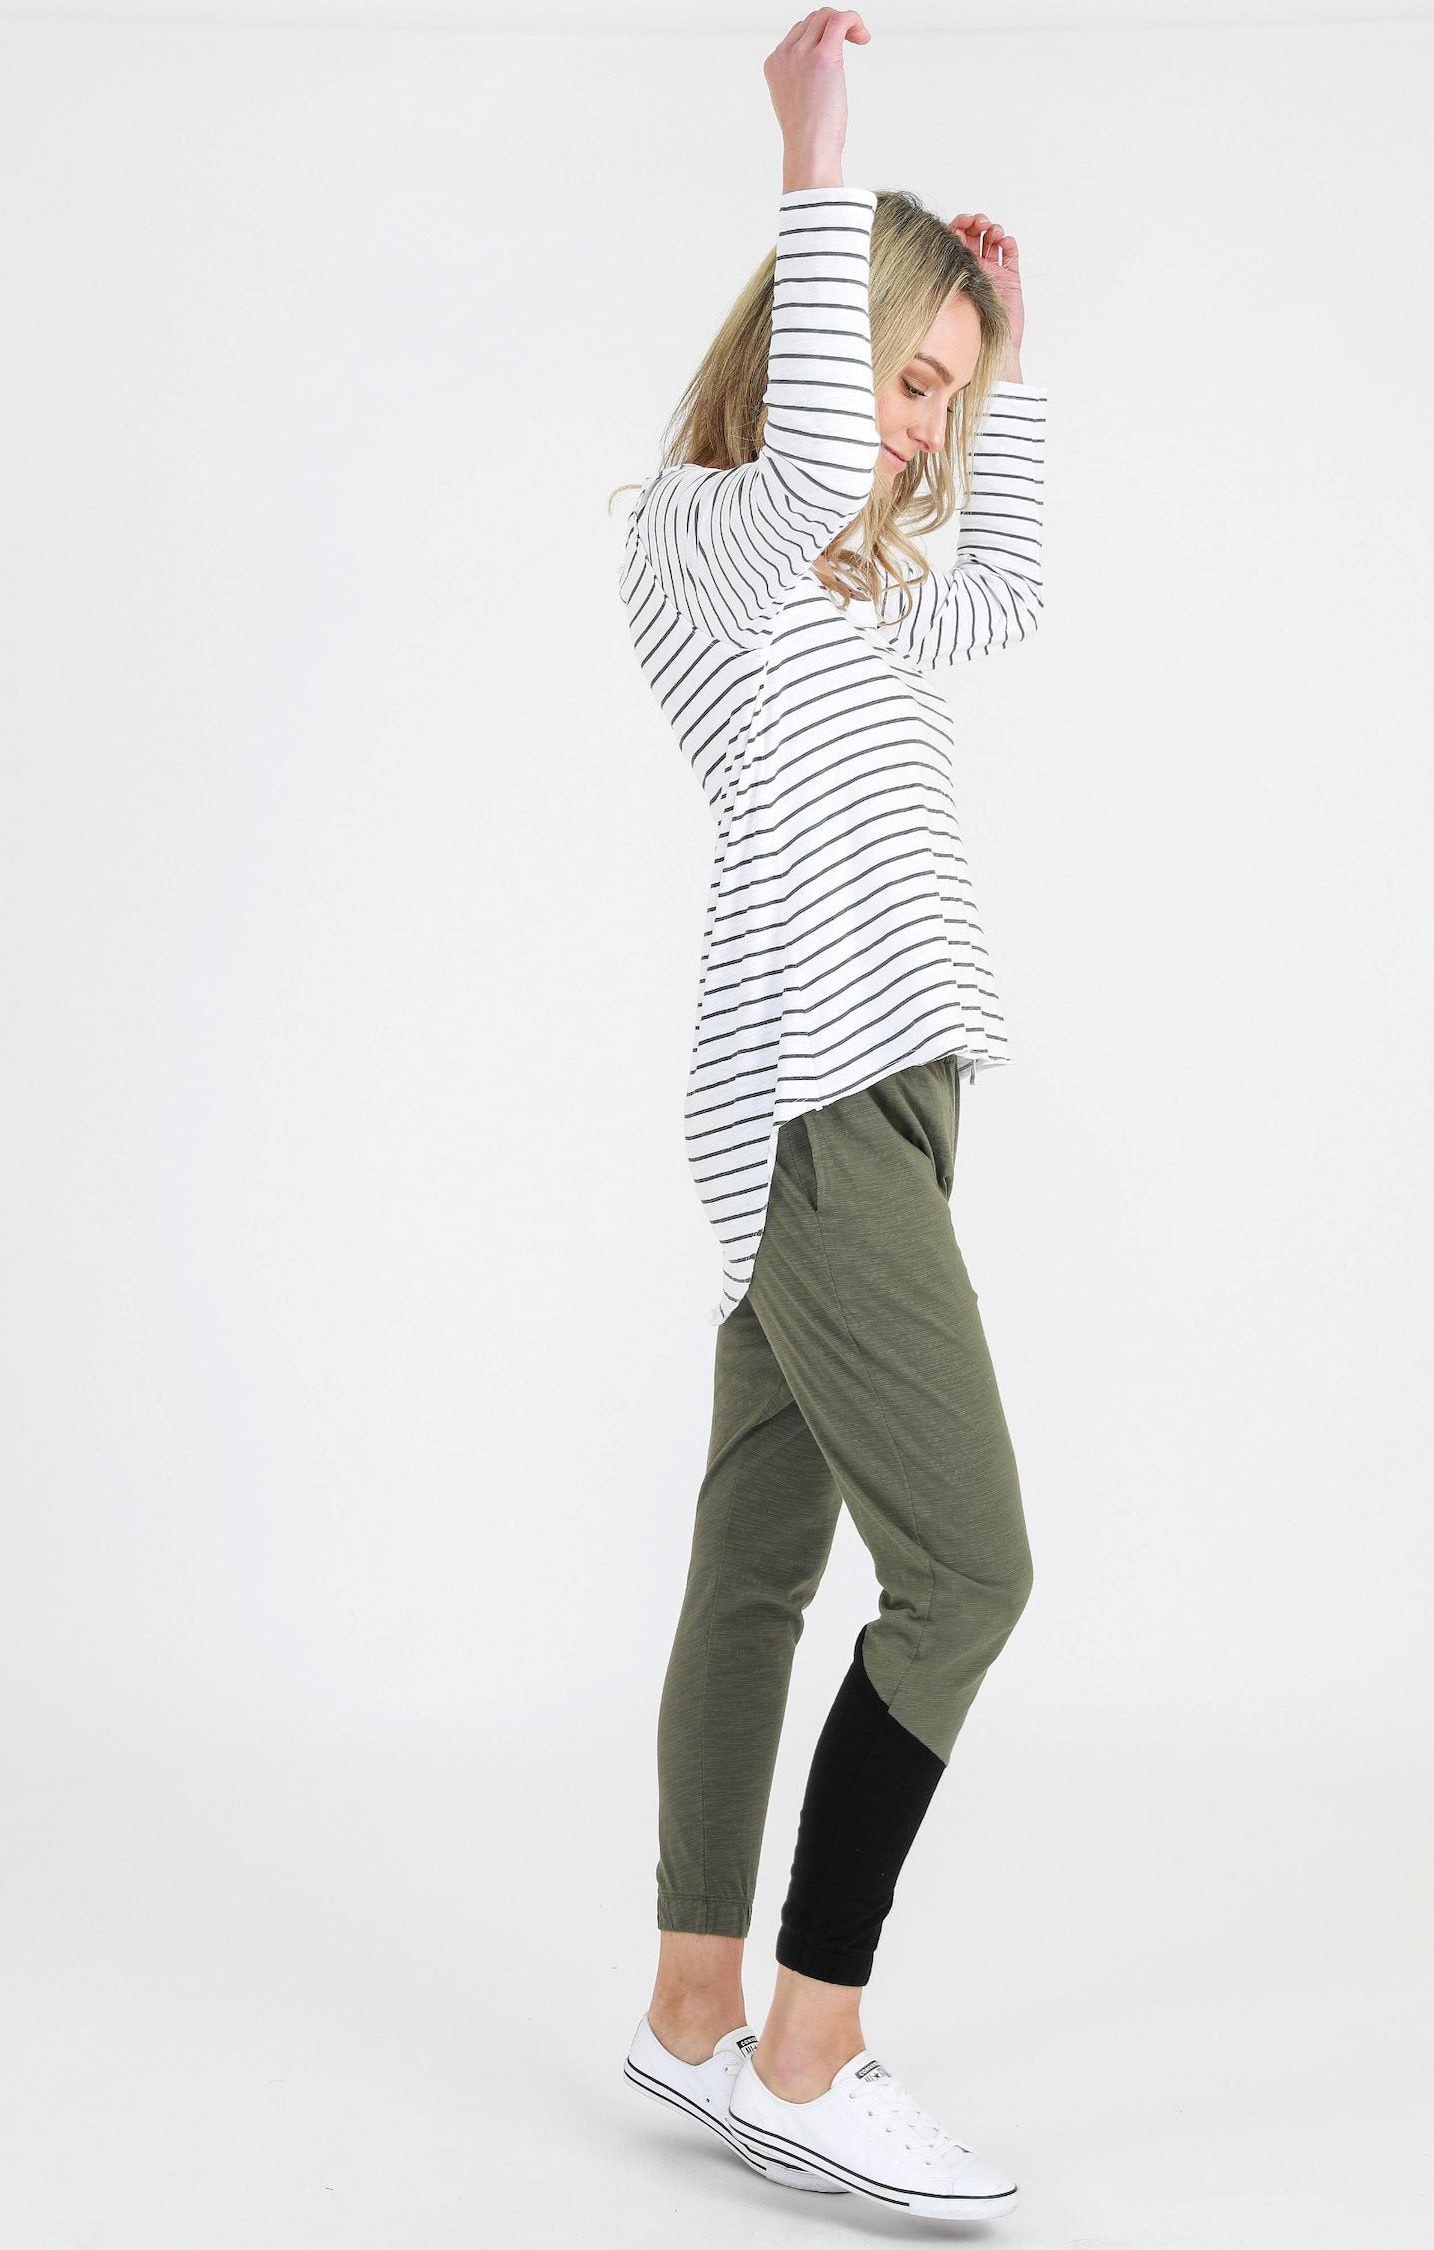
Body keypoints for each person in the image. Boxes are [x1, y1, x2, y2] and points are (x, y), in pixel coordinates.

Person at [613, 8, 1046, 2221]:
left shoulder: (866, 593)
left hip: (886, 1097)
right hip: (817, 1098)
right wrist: (818, 159)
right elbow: (799, 461)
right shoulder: (709, 537)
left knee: (762, 1564)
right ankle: (813, 2042)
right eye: (907, 374)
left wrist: (1011, 361)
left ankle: (693, 2006)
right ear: (816, 331)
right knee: (970, 1569)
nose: (917, 426)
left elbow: (1019, 589)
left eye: (942, 398)